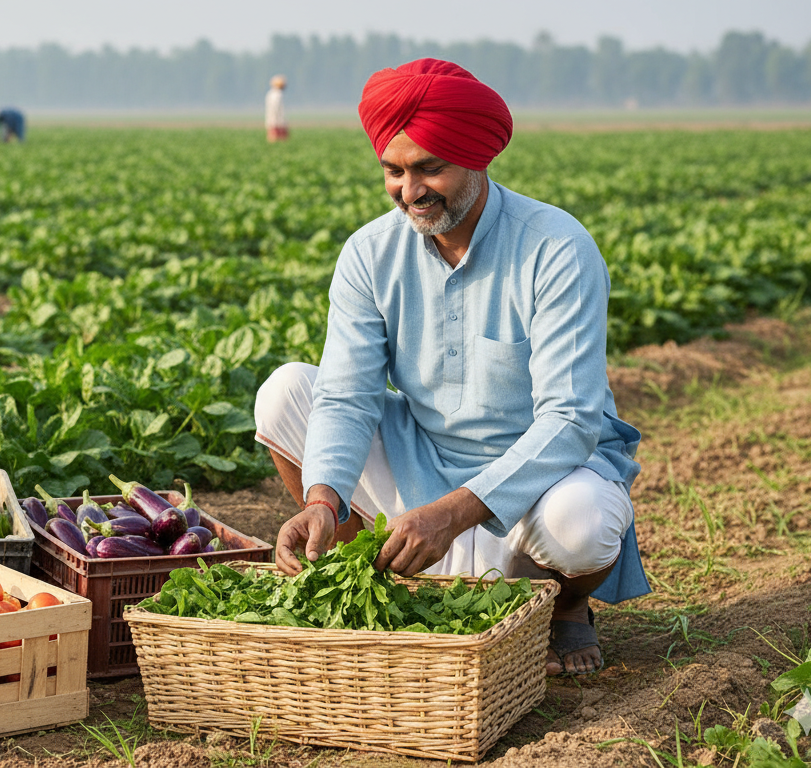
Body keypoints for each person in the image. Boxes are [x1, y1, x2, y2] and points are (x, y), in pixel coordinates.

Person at [255, 59, 647, 676]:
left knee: (582, 523)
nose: (410, 190)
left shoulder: (555, 247)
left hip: (541, 477)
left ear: (476, 159)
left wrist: (452, 514)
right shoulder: (369, 253)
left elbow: (571, 421)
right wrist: (323, 500)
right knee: (286, 392)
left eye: (429, 168)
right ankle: (383, 573)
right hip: (424, 460)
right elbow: (347, 394)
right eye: (394, 171)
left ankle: (565, 605)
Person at [265, 75, 288, 142]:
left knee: (272, 136)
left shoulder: (270, 93)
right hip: (278, 120)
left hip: (272, 119)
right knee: (279, 136)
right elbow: (278, 109)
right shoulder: (278, 94)